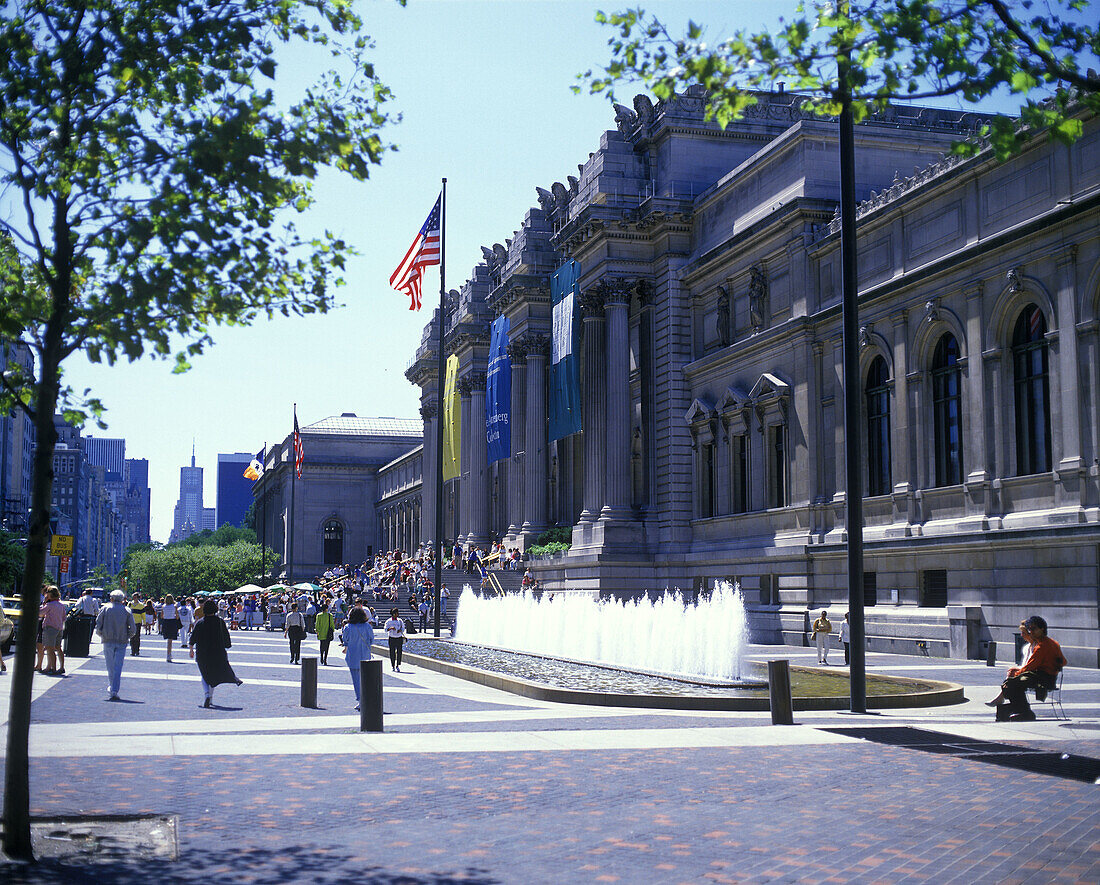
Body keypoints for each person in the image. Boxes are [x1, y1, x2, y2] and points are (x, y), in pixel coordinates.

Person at [987, 615, 1067, 722]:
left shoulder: (1042, 646)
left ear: (1042, 629)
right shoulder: (1049, 642)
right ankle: (1021, 710)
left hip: (1043, 677)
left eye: (1034, 629)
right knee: (1012, 682)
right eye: (1029, 629)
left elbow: (1031, 665)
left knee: (1012, 683)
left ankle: (1024, 712)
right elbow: (1062, 661)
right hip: (1044, 675)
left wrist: (1017, 674)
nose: (1031, 632)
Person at [188, 599, 243, 707]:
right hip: (217, 653)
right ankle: (211, 697)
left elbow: (193, 637)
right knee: (212, 676)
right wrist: (227, 645)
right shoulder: (220, 621)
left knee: (205, 675)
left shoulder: (200, 622)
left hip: (203, 653)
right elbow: (226, 638)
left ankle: (207, 695)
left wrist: (191, 649)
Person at [95, 590, 136, 700]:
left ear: (111, 598)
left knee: (110, 665)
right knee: (118, 666)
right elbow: (132, 629)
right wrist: (128, 636)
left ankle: (112, 687)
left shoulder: (105, 608)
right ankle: (114, 689)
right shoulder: (126, 610)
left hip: (108, 639)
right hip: (122, 640)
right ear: (122, 599)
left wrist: (101, 634)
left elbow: (98, 624)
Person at [341, 606, 375, 709]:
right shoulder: (367, 626)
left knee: (356, 680)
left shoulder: (348, 627)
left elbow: (345, 640)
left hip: (352, 656)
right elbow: (371, 640)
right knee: (366, 679)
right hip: (365, 655)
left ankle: (360, 700)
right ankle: (368, 698)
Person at [40, 587, 67, 676]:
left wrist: (44, 603)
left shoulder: (49, 605)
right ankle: (61, 667)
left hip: (50, 628)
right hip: (59, 628)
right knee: (58, 648)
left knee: (50, 649)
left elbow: (40, 613)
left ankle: (53, 668)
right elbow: (64, 618)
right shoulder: (61, 605)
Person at [160, 594, 182, 662]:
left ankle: (168, 654)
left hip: (166, 622)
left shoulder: (163, 606)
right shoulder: (174, 606)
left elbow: (162, 616)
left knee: (168, 640)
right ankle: (169, 654)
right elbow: (177, 616)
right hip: (172, 622)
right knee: (170, 640)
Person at [384, 607, 406, 672]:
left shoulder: (400, 620)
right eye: (396, 613)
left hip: (399, 638)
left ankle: (398, 665)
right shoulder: (388, 621)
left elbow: (403, 628)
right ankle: (393, 665)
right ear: (393, 614)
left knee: (399, 652)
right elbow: (385, 629)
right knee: (392, 652)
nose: (398, 614)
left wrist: (400, 630)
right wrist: (390, 628)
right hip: (392, 638)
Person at [314, 601, 335, 666]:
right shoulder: (330, 615)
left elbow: (317, 624)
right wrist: (333, 630)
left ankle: (321, 656)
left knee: (321, 645)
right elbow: (332, 625)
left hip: (321, 633)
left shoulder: (319, 615)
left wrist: (317, 631)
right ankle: (325, 658)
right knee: (327, 646)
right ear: (326, 609)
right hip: (328, 633)